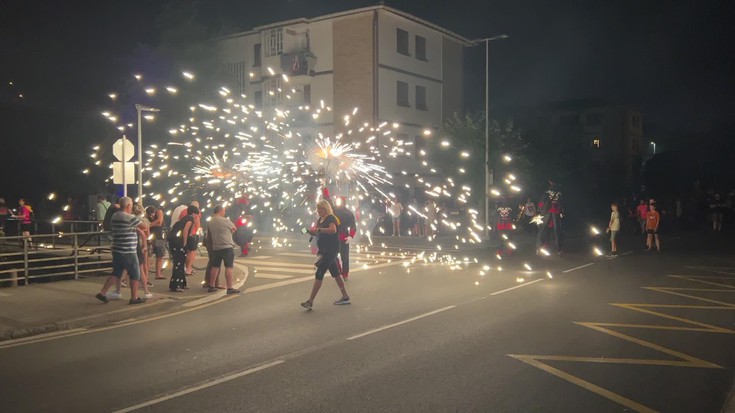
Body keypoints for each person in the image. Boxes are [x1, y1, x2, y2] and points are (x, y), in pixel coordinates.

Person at [94, 197, 148, 304]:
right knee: (135, 274)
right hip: (128, 250)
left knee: (116, 272)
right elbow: (144, 227)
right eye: (131, 204)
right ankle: (134, 298)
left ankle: (103, 292)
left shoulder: (115, 216)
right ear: (128, 206)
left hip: (117, 249)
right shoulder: (129, 217)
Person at [300, 200, 350, 309]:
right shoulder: (320, 219)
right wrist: (310, 231)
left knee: (319, 273)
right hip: (324, 250)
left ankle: (310, 301)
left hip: (331, 249)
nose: (318, 211)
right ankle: (345, 296)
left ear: (325, 209)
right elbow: (319, 231)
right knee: (336, 273)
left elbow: (333, 230)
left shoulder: (331, 218)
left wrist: (319, 230)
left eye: (320, 209)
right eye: (317, 209)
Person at [206, 205, 241, 294]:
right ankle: (229, 288)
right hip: (227, 247)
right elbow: (234, 229)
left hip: (216, 247)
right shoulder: (225, 220)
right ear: (220, 210)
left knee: (215, 267)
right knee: (229, 267)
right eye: (224, 211)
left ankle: (211, 285)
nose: (224, 212)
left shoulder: (210, 222)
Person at [168, 205, 198, 292]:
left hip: (173, 241)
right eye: (196, 214)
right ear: (193, 213)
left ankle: (182, 283)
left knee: (180, 262)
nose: (197, 216)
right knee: (179, 263)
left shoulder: (186, 218)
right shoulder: (190, 219)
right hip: (177, 242)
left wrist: (194, 223)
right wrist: (184, 243)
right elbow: (185, 231)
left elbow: (189, 232)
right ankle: (176, 285)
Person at [333, 196, 356, 280]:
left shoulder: (348, 213)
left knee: (345, 256)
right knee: (333, 255)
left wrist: (350, 236)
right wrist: (324, 189)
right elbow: (327, 200)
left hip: (343, 236)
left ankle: (345, 273)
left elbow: (353, 226)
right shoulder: (333, 211)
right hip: (334, 236)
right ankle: (338, 270)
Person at [133, 204, 153, 298]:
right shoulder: (144, 220)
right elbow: (147, 232)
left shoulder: (132, 218)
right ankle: (146, 280)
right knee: (144, 264)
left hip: (134, 242)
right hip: (142, 243)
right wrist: (148, 242)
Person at [178, 201, 201, 275]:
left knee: (187, 252)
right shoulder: (192, 215)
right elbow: (187, 229)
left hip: (185, 235)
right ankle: (188, 268)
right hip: (192, 234)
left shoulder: (183, 212)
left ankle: (185, 268)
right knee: (192, 252)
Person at [146, 206, 166, 280]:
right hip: (150, 237)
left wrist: (150, 224)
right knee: (148, 256)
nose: (151, 216)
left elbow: (159, 222)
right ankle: (146, 275)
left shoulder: (159, 212)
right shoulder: (146, 215)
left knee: (159, 256)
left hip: (159, 237)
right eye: (150, 215)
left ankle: (158, 274)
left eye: (153, 215)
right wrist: (154, 223)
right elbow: (156, 223)